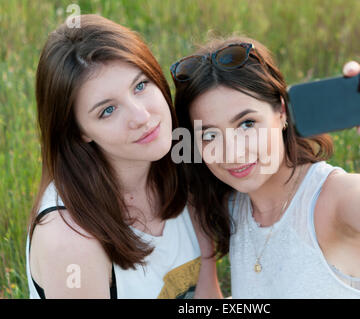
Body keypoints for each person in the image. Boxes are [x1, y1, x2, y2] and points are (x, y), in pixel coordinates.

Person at [172, 36, 360, 298]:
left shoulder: (332, 199)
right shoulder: (233, 206)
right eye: (209, 135)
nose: (232, 151)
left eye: (247, 124)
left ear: (281, 113)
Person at [26, 14, 222, 299]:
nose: (142, 117)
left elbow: (208, 297)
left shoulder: (186, 165)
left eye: (140, 86)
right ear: (79, 131)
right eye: (108, 110)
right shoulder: (70, 241)